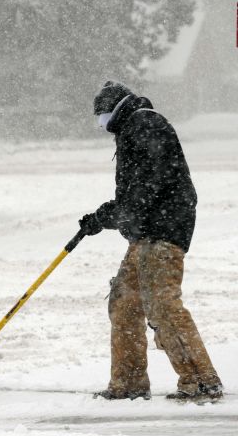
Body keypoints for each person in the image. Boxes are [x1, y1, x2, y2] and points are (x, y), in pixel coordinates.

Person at [80, 81, 223, 402]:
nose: (101, 123)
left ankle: (201, 380)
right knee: (125, 302)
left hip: (163, 231)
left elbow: (146, 188)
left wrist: (110, 215)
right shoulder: (132, 128)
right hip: (146, 233)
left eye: (101, 115)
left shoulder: (145, 125)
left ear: (114, 109)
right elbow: (137, 191)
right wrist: (108, 214)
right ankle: (128, 383)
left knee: (162, 305)